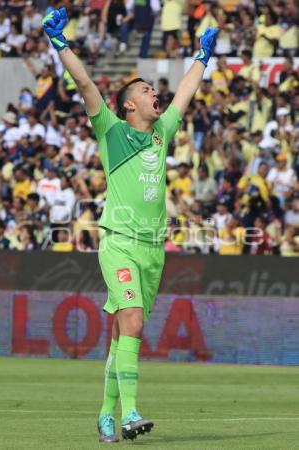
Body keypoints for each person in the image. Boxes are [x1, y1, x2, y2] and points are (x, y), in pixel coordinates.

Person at [42, 7, 219, 443]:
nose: (153, 92)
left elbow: (185, 93)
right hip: (119, 242)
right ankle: (131, 412)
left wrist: (202, 56)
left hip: (153, 249)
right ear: (128, 104)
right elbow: (85, 84)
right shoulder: (110, 129)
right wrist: (58, 41)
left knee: (125, 333)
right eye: (144, 89)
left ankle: (105, 414)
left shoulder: (162, 132)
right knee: (134, 325)